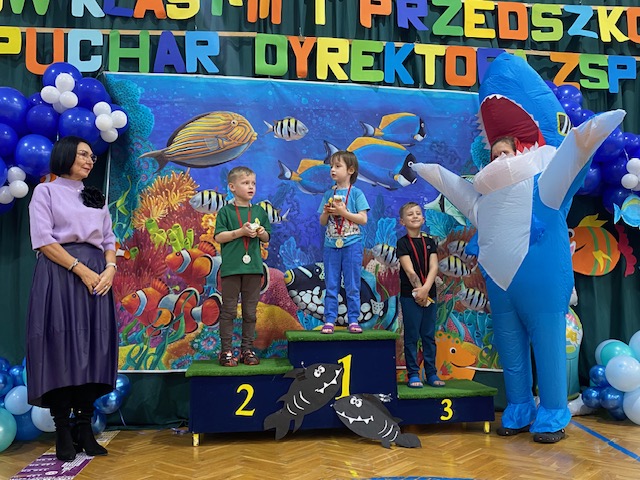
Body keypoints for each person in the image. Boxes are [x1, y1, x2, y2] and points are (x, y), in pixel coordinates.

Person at [26, 136, 118, 461]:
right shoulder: (45, 192)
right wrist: (80, 269)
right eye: (83, 154)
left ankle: (84, 427)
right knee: (60, 348)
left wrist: (110, 268)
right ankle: (62, 430)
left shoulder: (95, 197)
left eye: (92, 156)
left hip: (98, 277)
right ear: (65, 155)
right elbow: (43, 240)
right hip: (60, 275)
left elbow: (109, 239)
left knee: (93, 349)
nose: (90, 160)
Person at [214, 166, 271, 366]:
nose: (251, 187)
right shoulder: (225, 212)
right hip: (231, 270)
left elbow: (267, 237)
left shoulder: (259, 211)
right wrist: (241, 232)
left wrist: (261, 232)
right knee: (228, 311)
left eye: (253, 183)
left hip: (253, 269)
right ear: (232, 187)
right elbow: (219, 237)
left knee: (250, 312)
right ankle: (226, 351)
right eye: (245, 183)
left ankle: (247, 350)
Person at [318, 150, 369, 334]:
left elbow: (363, 219)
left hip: (352, 245)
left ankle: (353, 319)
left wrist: (343, 212)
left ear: (350, 170)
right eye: (331, 166)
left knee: (352, 284)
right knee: (331, 284)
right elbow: (322, 222)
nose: (333, 169)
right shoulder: (328, 194)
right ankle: (330, 319)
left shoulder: (356, 193)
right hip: (331, 245)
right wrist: (326, 212)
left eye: (338, 166)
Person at [397, 202, 444, 388]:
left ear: (423, 219)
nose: (415, 216)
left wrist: (426, 290)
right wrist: (419, 291)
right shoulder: (402, 243)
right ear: (402, 221)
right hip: (411, 296)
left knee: (428, 335)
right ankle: (413, 374)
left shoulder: (430, 242)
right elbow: (409, 271)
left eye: (418, 213)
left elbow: (434, 267)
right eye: (410, 214)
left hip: (429, 295)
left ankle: (431, 373)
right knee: (412, 335)